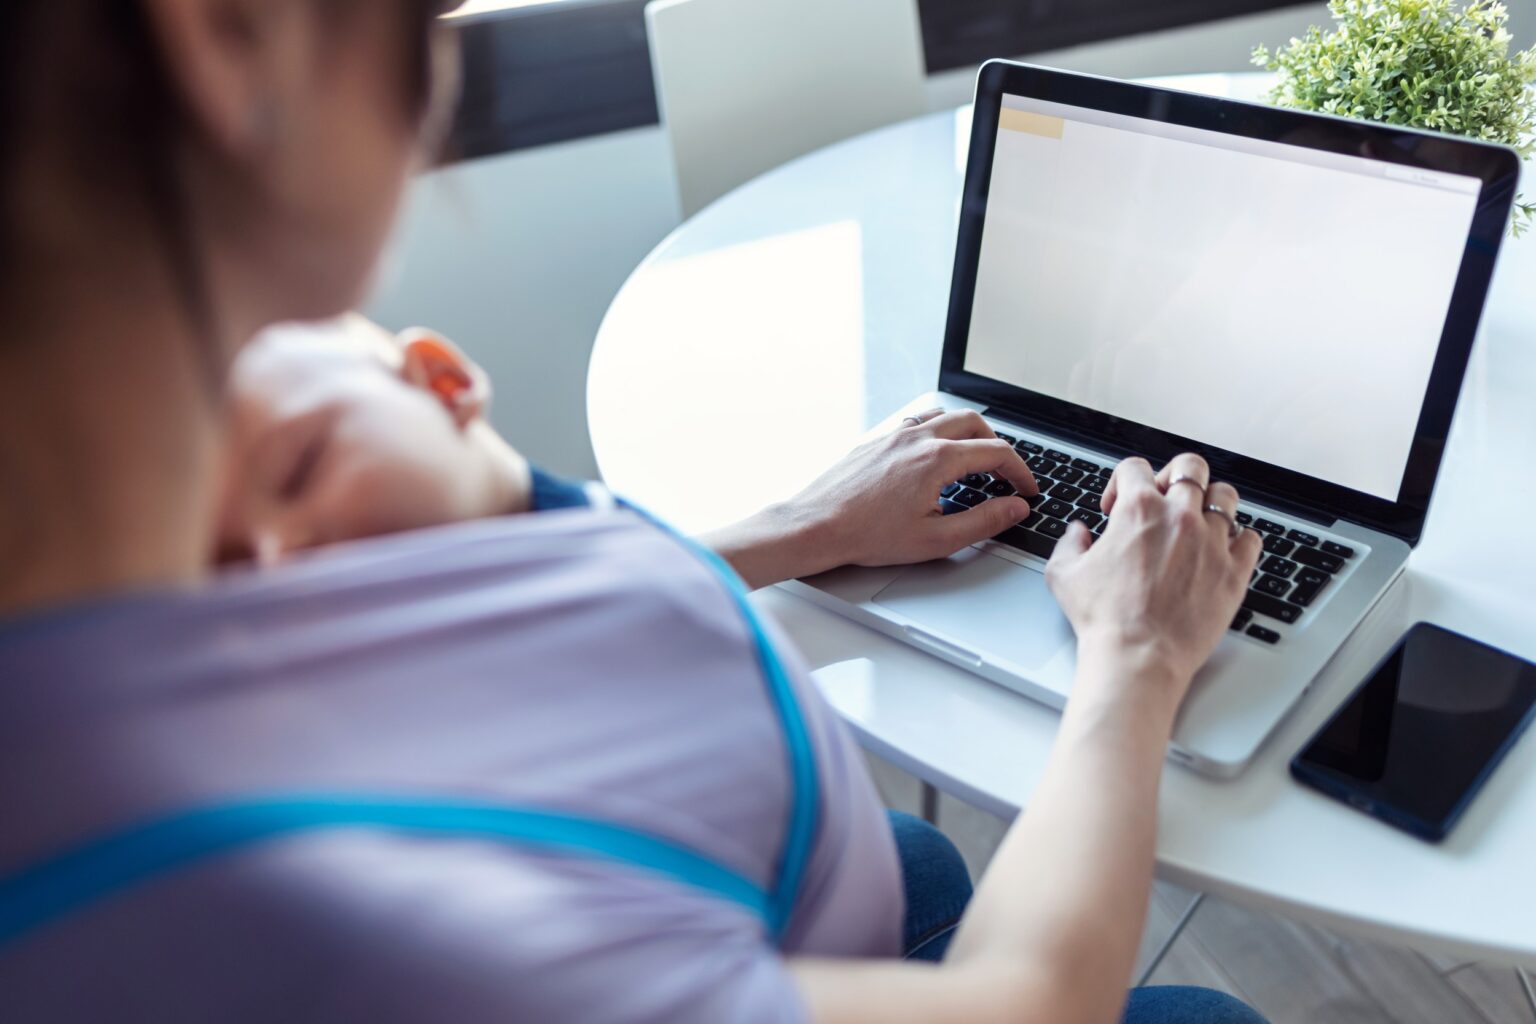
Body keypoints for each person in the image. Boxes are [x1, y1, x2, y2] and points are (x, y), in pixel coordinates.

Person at [0, 3, 1269, 1024]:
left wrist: (802, 524)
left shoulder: (130, 562)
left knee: (917, 866)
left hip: (786, 879)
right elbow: (1027, 1000)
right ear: (230, 28)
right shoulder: (380, 951)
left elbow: (393, 651)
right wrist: (1139, 655)